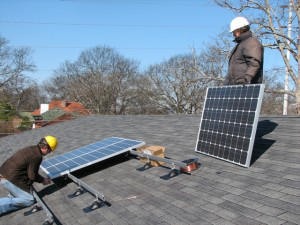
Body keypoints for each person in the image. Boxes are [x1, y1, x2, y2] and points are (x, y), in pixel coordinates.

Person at [0, 135, 58, 215]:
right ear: (46, 148)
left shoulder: (32, 149)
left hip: (5, 173)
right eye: (50, 150)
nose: (49, 153)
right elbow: (32, 176)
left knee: (22, 194)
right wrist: (43, 180)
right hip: (9, 179)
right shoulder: (37, 156)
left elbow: (28, 173)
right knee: (29, 200)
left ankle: (12, 196)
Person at [225, 16, 264, 85]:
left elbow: (254, 63)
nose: (233, 34)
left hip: (245, 87)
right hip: (236, 86)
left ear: (241, 29)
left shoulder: (251, 42)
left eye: (234, 31)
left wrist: (247, 79)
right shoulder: (241, 44)